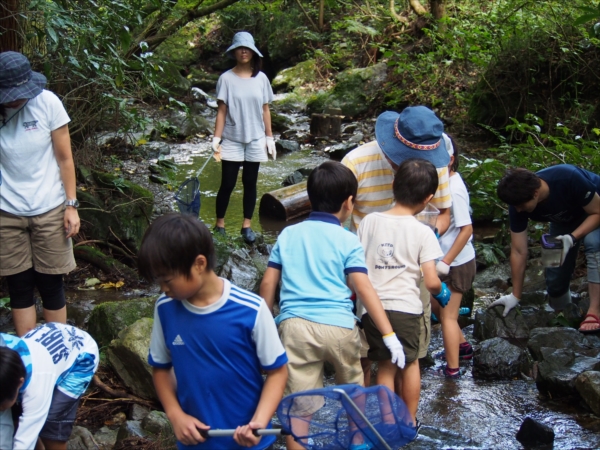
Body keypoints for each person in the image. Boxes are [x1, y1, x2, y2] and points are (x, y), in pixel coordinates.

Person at [260, 161, 407, 450]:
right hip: (339, 326)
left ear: (308, 199)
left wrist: (263, 328)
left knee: (298, 404)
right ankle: (355, 439)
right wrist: (389, 335)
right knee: (353, 385)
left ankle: (298, 445)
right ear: (349, 202)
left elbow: (267, 285)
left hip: (294, 327)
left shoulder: (288, 234)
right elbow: (363, 289)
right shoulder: (347, 239)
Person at [139, 214, 288, 449]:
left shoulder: (251, 309)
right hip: (196, 441)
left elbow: (277, 371)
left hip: (251, 442)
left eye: (167, 280)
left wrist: (258, 423)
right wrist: (176, 416)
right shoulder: (165, 308)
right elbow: (161, 368)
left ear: (199, 264)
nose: (163, 289)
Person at [342, 106, 452, 383]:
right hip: (367, 277)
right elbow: (341, 227)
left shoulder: (435, 167)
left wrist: (423, 241)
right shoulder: (356, 164)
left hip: (414, 277)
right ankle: (370, 420)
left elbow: (444, 214)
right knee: (366, 355)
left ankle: (404, 422)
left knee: (409, 359)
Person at [356, 158, 451, 422]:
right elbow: (431, 281)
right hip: (406, 310)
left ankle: (387, 420)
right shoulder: (423, 233)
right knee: (410, 364)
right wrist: (442, 291)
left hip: (372, 311)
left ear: (394, 184)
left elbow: (358, 266)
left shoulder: (369, 222)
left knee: (385, 365)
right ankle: (408, 419)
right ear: (428, 198)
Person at [0, 51, 79, 337]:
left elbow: (65, 159)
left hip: (50, 207)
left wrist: (71, 205)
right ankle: (29, 356)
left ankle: (57, 352)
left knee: (51, 283)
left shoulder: (48, 103)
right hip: (7, 211)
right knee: (18, 285)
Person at [493, 165, 600, 334]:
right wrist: (515, 295)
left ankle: (594, 311)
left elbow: (597, 212)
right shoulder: (518, 202)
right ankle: (564, 319)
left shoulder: (567, 178)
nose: (519, 210)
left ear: (535, 194)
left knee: (593, 242)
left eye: (521, 205)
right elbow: (519, 250)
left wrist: (572, 238)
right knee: (554, 276)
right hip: (564, 219)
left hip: (595, 209)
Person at [212, 31, 276, 244]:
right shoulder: (226, 79)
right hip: (232, 138)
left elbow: (265, 109)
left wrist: (270, 137)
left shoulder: (261, 78)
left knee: (251, 183)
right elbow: (221, 111)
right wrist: (216, 138)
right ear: (234, 52)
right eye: (240, 48)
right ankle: (220, 224)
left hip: (256, 138)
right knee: (227, 183)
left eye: (247, 48)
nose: (243, 52)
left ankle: (246, 226)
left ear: (252, 52)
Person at [0, 323, 99, 450]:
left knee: (51, 424)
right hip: (48, 342)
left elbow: (25, 441)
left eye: (1, 407)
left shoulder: (36, 389)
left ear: (20, 382)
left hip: (81, 357)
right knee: (17, 418)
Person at [431, 135, 476, 378]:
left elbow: (466, 229)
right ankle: (462, 347)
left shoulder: (455, 188)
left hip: (457, 262)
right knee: (436, 304)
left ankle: (453, 369)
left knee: (447, 316)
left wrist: (446, 261)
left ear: (450, 160)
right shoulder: (442, 184)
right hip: (444, 260)